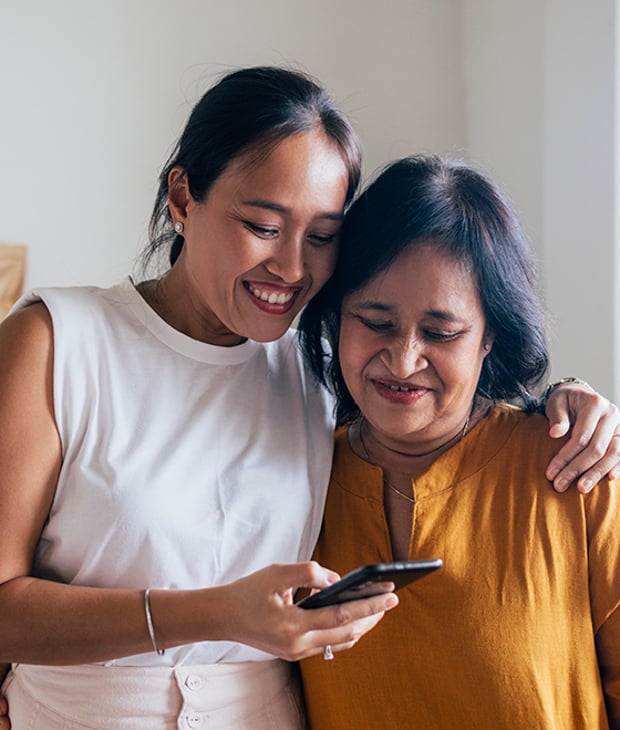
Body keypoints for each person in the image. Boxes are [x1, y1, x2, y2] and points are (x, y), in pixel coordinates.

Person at [0, 67, 616, 729]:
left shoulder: (314, 369)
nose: (294, 269)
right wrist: (214, 613)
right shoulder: (55, 343)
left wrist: (570, 397)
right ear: (182, 197)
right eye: (264, 225)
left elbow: (435, 387)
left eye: (321, 237)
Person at [298, 154, 620, 728]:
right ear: (336, 317)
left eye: (440, 333)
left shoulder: (577, 473)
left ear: (490, 336)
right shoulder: (295, 478)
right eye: (375, 321)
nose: (403, 359)